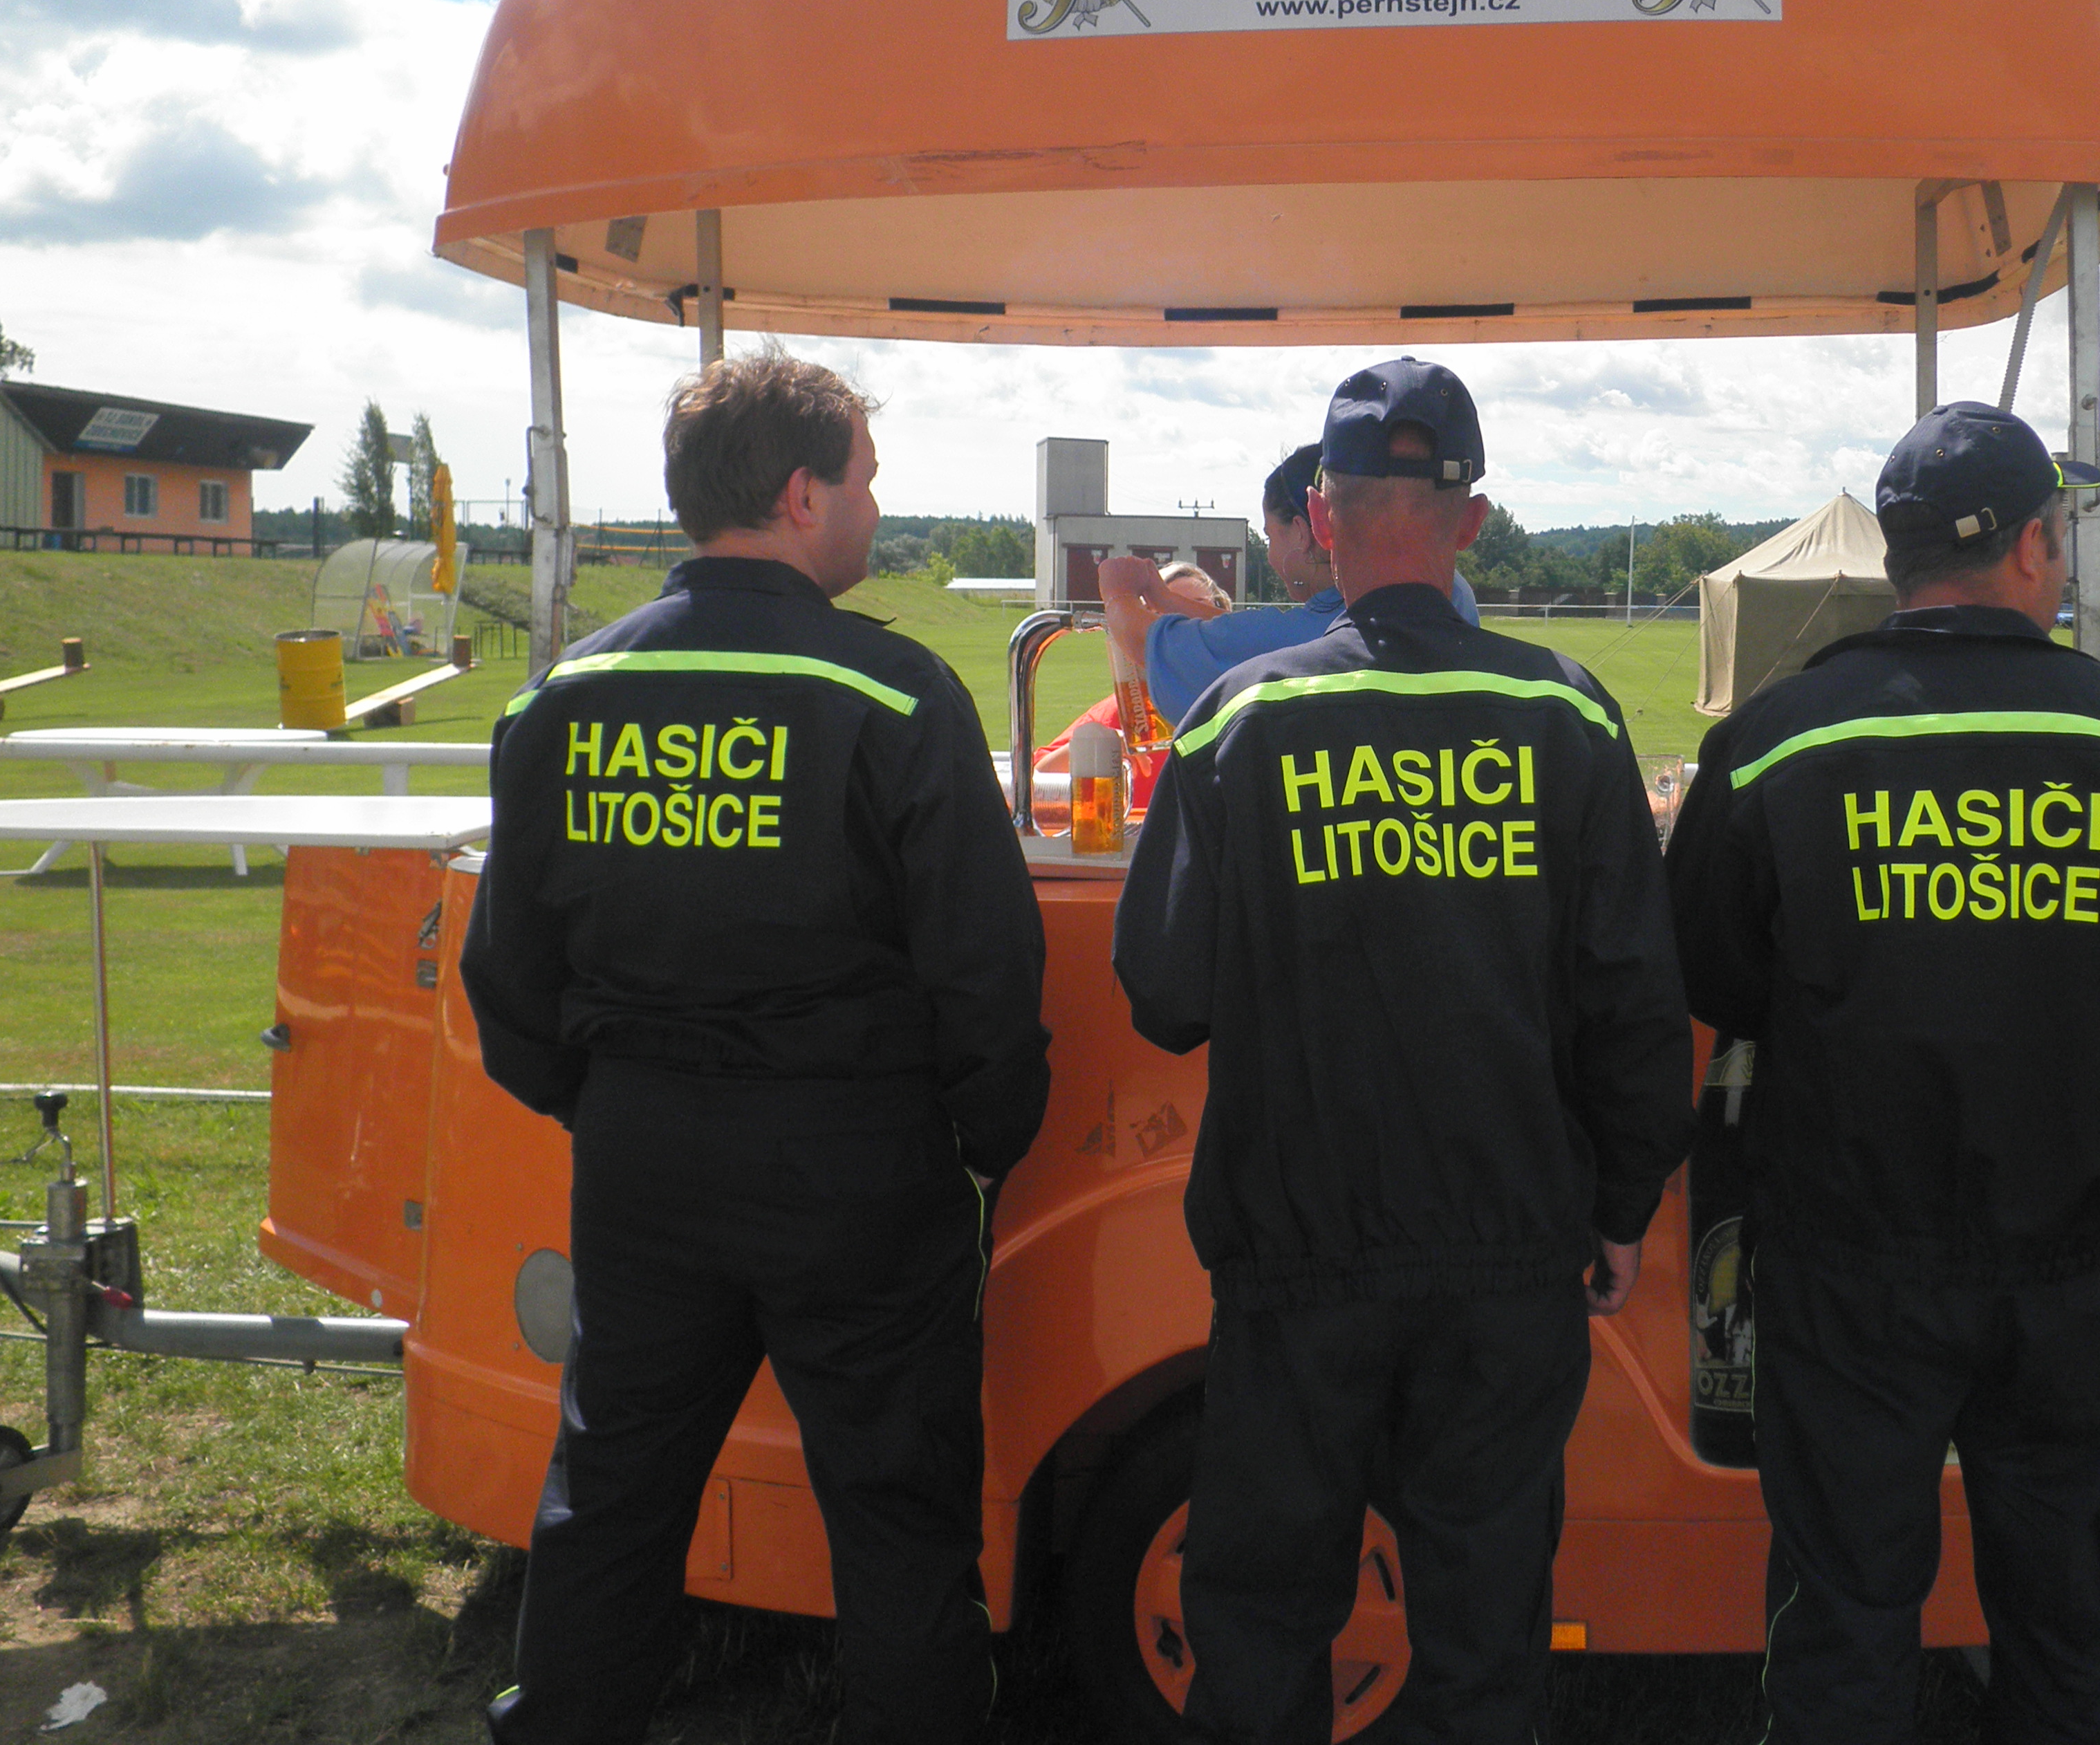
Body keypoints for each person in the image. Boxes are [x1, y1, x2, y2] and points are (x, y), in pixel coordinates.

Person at [461, 351, 1050, 1745]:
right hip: (856, 1161)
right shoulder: (894, 694)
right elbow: (984, 969)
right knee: (896, 1515)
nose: (873, 510)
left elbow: (509, 979)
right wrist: (984, 1143)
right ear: (800, 495)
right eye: (865, 482)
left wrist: (609, 1103)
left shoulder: (564, 696)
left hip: (642, 1159)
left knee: (613, 1497)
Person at [1664, 400, 2100, 1745]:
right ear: (2032, 547)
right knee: (2063, 1620)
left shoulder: (1776, 740)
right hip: (2073, 1262)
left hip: (1849, 1264)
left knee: (1841, 1613)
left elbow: (1708, 974)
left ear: (1897, 557)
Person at [1112, 358, 1695, 1745]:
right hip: (1510, 1258)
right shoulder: (1565, 714)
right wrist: (1620, 1210)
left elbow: (1163, 992)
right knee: (1483, 1636)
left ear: (1320, 514)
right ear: (1471, 521)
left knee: (1261, 1621)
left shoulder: (1240, 717)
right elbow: (1634, 1002)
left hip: (1297, 1258)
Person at [1099, 440, 1480, 732]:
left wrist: (1118, 593)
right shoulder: (1448, 592)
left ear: (1303, 529)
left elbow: (1150, 643)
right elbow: (1244, 635)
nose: (1269, 554)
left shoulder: (1326, 636)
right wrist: (1164, 597)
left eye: (1269, 536)